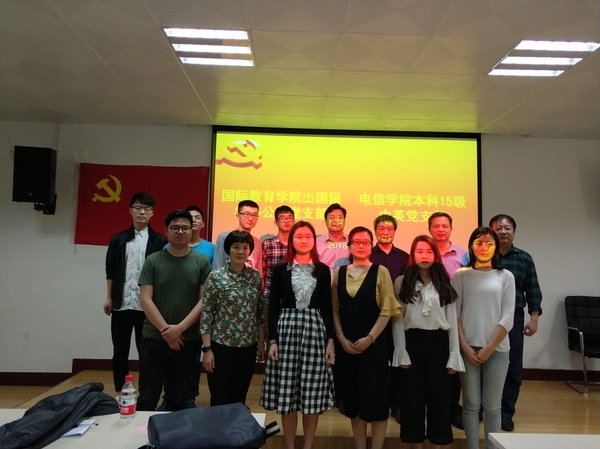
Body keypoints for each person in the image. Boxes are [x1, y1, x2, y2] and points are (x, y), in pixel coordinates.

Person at [260, 221, 335, 449]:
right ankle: (290, 445)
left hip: (315, 330)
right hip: (286, 330)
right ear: (291, 240)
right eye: (298, 236)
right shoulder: (281, 269)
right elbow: (273, 306)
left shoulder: (322, 270)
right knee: (288, 393)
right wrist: (272, 340)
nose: (303, 240)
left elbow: (327, 306)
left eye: (308, 236)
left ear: (314, 240)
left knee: (312, 393)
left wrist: (330, 340)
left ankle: (308, 445)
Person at [392, 235, 464, 448]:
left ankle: (437, 442)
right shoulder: (401, 282)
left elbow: (451, 321)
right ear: (412, 255)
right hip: (412, 342)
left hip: (439, 343)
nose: (424, 256)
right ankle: (415, 443)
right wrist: (401, 350)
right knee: (412, 399)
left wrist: (454, 354)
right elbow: (398, 320)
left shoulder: (444, 282)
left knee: (439, 399)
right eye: (419, 251)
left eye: (429, 251)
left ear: (436, 255)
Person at [332, 226, 401, 449]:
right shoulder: (340, 272)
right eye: (356, 242)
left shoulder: (381, 271)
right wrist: (341, 338)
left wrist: (370, 339)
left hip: (374, 347)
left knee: (377, 403)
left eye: (365, 242)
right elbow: (335, 309)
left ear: (372, 246)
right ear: (349, 245)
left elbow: (387, 310)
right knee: (354, 404)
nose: (361, 246)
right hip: (348, 348)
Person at [137, 209, 212, 411]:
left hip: (187, 339)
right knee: (147, 397)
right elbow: (145, 300)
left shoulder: (202, 262)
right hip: (154, 337)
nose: (180, 231)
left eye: (185, 228)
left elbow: (204, 301)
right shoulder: (153, 260)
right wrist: (167, 332)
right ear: (166, 231)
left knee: (178, 399)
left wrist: (179, 329)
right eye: (175, 228)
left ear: (191, 230)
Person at [454, 227, 515, 449]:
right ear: (471, 246)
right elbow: (455, 314)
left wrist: (489, 347)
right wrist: (465, 347)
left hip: (497, 349)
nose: (484, 248)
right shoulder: (461, 275)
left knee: (492, 406)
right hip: (468, 349)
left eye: (490, 243)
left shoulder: (505, 276)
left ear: (496, 248)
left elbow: (508, 317)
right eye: (479, 243)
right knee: (470, 404)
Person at [104, 192, 167, 394]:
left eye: (146, 209)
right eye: (138, 208)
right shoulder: (118, 239)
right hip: (122, 304)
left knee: (146, 352)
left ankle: (147, 393)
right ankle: (121, 392)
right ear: (130, 211)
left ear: (152, 213)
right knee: (119, 352)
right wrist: (109, 297)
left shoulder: (159, 241)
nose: (142, 212)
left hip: (146, 307)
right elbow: (110, 270)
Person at [157, 205, 216, 410]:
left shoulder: (210, 249)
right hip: (170, 317)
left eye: (196, 218)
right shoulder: (165, 250)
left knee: (191, 361)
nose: (192, 222)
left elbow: (210, 285)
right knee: (170, 361)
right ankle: (169, 397)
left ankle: (190, 396)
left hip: (197, 314)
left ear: (199, 224)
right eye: (178, 226)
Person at [489, 214, 542, 432]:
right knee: (484, 361)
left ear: (514, 232)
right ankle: (485, 408)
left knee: (512, 366)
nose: (503, 231)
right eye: (498, 228)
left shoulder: (524, 258)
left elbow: (533, 289)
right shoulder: (483, 255)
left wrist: (534, 318)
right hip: (487, 316)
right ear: (491, 232)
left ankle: (505, 412)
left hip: (514, 318)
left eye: (507, 228)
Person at [200, 231, 266, 406]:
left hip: (248, 347)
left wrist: (261, 343)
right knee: (220, 396)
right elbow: (206, 315)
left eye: (245, 247)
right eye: (236, 247)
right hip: (221, 346)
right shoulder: (216, 277)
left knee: (239, 397)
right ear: (228, 249)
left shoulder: (255, 276)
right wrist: (207, 350)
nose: (241, 251)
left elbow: (259, 313)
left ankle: (237, 424)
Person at [428, 211, 468, 428]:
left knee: (452, 364)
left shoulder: (464, 256)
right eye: (436, 226)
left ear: (451, 229)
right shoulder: (424, 253)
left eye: (444, 226)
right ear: (429, 229)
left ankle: (452, 409)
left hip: (455, 315)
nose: (440, 229)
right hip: (428, 318)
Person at [369, 214, 409, 422]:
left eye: (389, 228)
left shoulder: (405, 257)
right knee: (375, 363)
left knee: (397, 361)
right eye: (381, 228)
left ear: (395, 231)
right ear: (375, 231)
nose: (385, 232)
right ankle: (377, 403)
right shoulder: (368, 255)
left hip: (398, 317)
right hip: (373, 316)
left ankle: (398, 405)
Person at [213, 200, 262, 271]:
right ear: (238, 216)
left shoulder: (257, 242)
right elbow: (217, 265)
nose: (251, 218)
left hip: (249, 278)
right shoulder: (225, 237)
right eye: (247, 214)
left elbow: (258, 270)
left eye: (254, 215)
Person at [316, 203, 350, 278]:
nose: (336, 221)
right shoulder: (316, 242)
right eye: (331, 218)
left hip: (345, 283)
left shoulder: (351, 241)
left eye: (339, 218)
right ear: (325, 221)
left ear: (344, 220)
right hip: (324, 283)